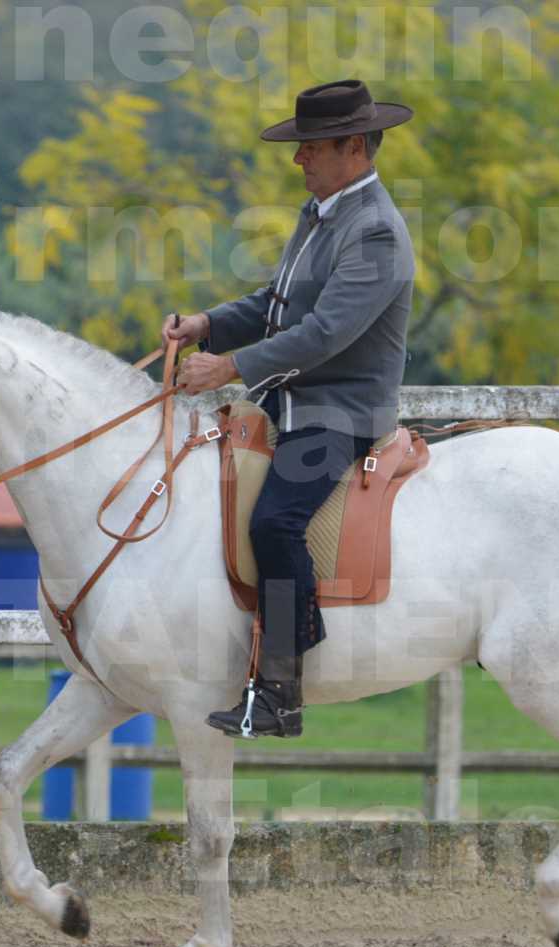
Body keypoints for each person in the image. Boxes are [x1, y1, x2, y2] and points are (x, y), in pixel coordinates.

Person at [169, 79, 416, 739]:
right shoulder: (324, 213)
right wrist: (207, 324)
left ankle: (278, 689)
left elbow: (325, 332)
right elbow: (275, 304)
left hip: (337, 411)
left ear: (354, 147)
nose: (297, 159)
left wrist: (230, 366)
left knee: (275, 523)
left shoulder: (375, 234)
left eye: (310, 147)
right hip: (291, 401)